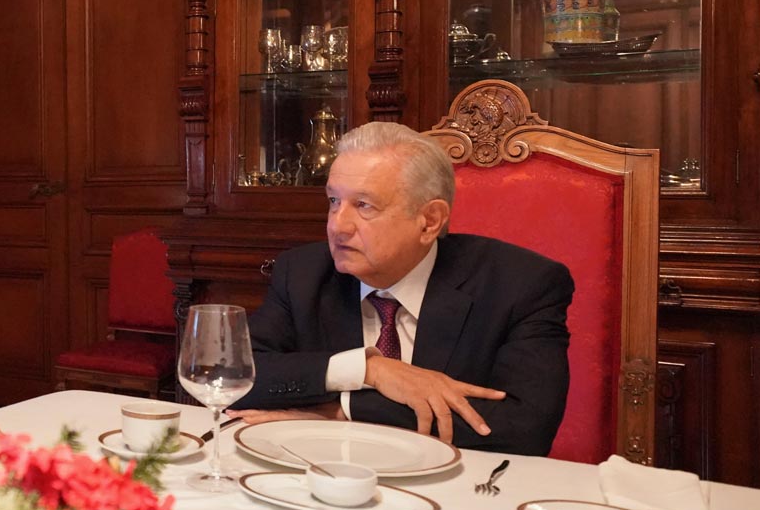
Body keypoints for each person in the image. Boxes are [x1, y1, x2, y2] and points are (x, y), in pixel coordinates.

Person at [227, 121, 573, 455]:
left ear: (429, 221)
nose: (337, 225)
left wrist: (343, 410)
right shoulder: (303, 272)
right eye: (333, 201)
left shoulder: (521, 285)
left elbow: (526, 429)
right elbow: (233, 378)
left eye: (363, 205)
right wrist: (370, 370)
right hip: (322, 475)